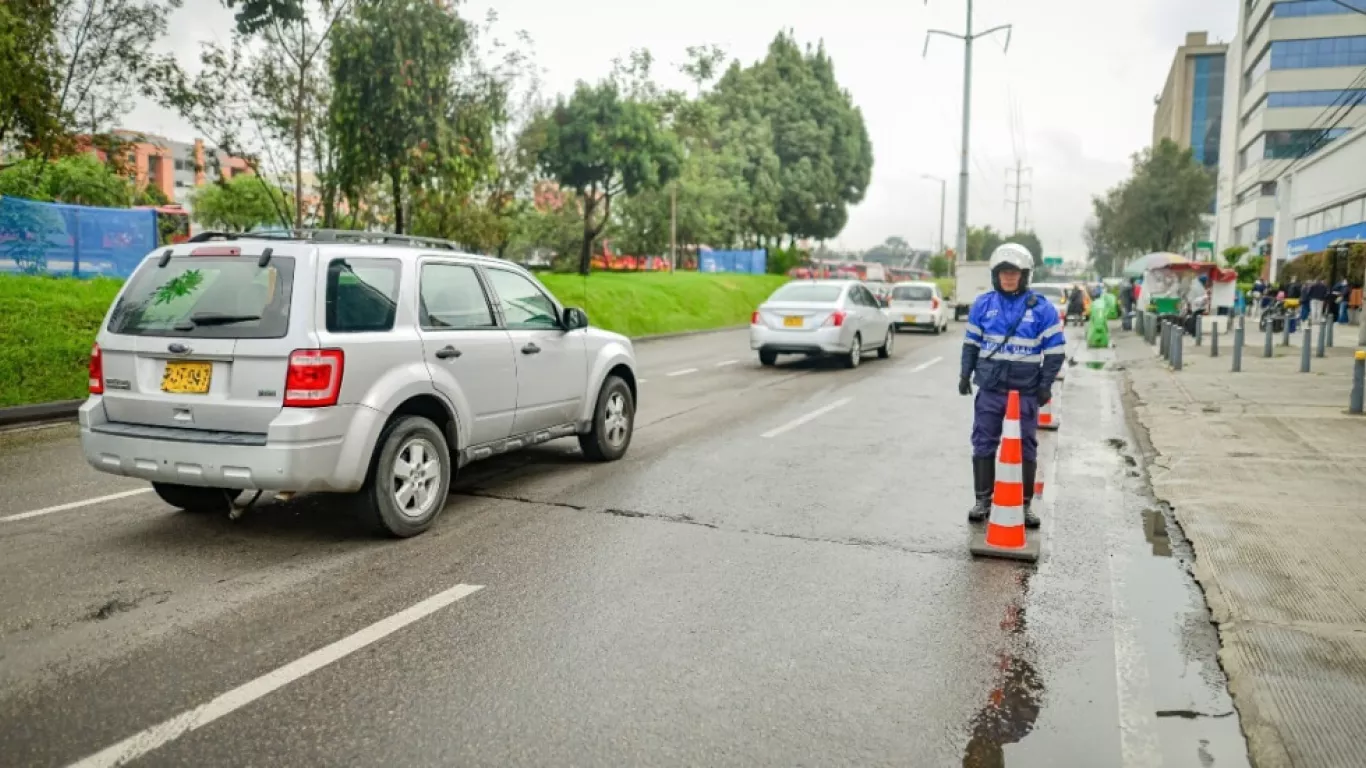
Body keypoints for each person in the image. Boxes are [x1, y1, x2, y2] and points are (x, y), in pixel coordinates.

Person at [960, 243, 1066, 529]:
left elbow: (1055, 352)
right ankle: (983, 500)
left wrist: (1045, 386)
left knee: (1026, 447)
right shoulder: (983, 305)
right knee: (983, 442)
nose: (1008, 277)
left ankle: (1024, 505)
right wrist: (964, 374)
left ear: (1024, 275)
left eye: (1014, 272)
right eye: (1003, 272)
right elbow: (971, 344)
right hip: (990, 390)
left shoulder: (1041, 308)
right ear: (996, 275)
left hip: (1025, 393)